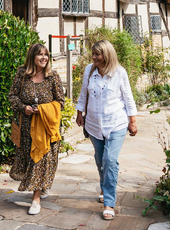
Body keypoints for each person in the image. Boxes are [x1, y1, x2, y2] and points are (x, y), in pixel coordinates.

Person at [75, 40, 138, 221]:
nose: (94, 57)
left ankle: (109, 203)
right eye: (93, 54)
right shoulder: (90, 70)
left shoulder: (119, 73)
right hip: (94, 124)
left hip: (116, 123)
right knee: (100, 159)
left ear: (107, 55)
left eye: (98, 54)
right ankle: (104, 186)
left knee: (110, 160)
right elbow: (83, 93)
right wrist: (80, 113)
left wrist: (132, 121)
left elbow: (128, 97)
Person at [8, 43, 65, 215]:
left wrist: (43, 109)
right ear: (32, 57)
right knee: (30, 160)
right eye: (40, 54)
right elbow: (12, 96)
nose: (44, 58)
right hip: (26, 128)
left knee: (40, 161)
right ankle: (41, 185)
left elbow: (60, 102)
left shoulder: (52, 76)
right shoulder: (22, 74)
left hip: (46, 128)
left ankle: (36, 199)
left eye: (46, 54)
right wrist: (23, 107)